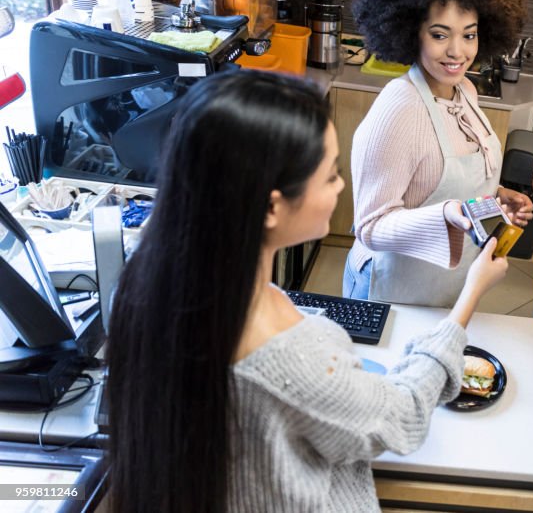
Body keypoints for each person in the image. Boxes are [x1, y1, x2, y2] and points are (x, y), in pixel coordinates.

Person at [106, 71, 509, 513]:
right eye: (330, 176)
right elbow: (403, 417)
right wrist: (465, 305)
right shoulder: (283, 355)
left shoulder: (154, 279)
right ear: (272, 206)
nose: (341, 187)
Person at [344, 0, 533, 306]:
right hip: (392, 285)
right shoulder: (399, 109)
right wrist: (449, 215)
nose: (457, 52)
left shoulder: (464, 92)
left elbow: (448, 189)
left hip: (446, 282)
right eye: (439, 35)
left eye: (469, 35)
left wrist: (494, 200)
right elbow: (370, 227)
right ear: (411, 31)